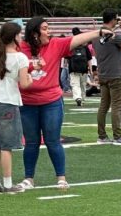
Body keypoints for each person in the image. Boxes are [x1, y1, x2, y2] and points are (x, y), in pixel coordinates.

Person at [14, 19, 99, 192]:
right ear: (34, 33)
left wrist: (99, 32)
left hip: (51, 101)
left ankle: (61, 178)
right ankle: (28, 178)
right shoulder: (19, 48)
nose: (49, 31)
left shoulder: (55, 44)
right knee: (31, 142)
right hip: (27, 102)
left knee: (53, 140)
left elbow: (78, 39)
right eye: (45, 29)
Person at [0, 22, 33, 193]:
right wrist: (31, 78)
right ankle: (9, 183)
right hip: (8, 101)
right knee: (6, 146)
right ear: (14, 37)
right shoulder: (20, 57)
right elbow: (25, 84)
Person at [94, 11, 121, 146]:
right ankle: (118, 136)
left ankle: (102, 136)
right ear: (113, 20)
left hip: (103, 75)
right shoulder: (114, 36)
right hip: (116, 75)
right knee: (117, 108)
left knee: (103, 107)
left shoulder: (96, 36)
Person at [67, 28, 91, 107]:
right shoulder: (85, 47)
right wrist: (90, 69)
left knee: (75, 84)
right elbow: (89, 59)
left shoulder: (71, 45)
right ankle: (82, 98)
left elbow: (67, 57)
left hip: (73, 69)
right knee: (82, 84)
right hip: (84, 69)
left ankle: (78, 98)